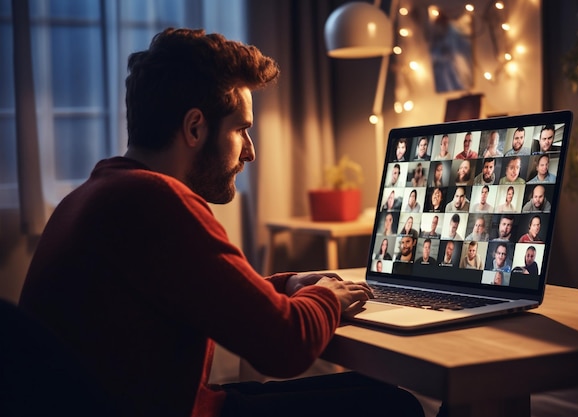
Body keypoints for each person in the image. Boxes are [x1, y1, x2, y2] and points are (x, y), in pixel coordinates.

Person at [18, 28, 425, 417]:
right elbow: (284, 347)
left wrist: (285, 287)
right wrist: (328, 299)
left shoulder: (98, 193)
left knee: (378, 394)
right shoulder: (157, 203)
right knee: (394, 408)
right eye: (241, 130)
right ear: (195, 127)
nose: (250, 152)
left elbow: (203, 299)